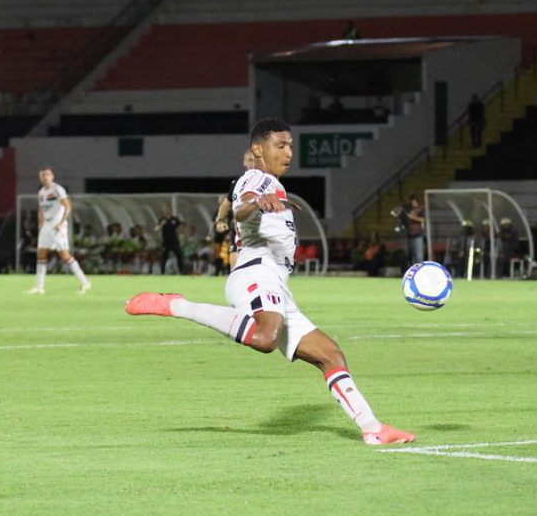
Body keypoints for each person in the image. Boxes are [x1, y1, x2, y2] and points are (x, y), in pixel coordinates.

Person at [125, 118, 415, 446]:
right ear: (258, 150)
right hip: (256, 275)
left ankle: (373, 428)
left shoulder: (275, 184)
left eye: (291, 145)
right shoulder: (257, 178)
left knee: (330, 354)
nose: (289, 152)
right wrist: (256, 204)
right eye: (281, 145)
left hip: (277, 285)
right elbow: (242, 207)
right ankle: (177, 305)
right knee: (264, 338)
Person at [24, 166, 91, 294]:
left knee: (64, 255)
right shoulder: (41, 192)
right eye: (43, 175)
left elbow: (67, 206)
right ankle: (39, 286)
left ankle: (85, 282)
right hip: (47, 225)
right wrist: (40, 226)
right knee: (41, 253)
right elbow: (41, 210)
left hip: (56, 224)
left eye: (47, 174)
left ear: (52, 176)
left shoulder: (57, 189)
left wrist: (61, 223)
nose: (45, 177)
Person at [215, 149, 257, 270]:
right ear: (244, 162)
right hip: (238, 230)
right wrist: (220, 221)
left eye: (255, 161)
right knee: (235, 269)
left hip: (257, 230)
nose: (253, 164)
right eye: (250, 160)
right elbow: (225, 204)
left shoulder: (263, 182)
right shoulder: (237, 182)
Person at [391, 193, 424, 270]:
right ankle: (410, 270)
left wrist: (411, 217)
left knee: (418, 255)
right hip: (408, 235)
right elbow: (393, 213)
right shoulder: (406, 209)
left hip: (418, 235)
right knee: (408, 255)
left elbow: (423, 220)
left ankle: (419, 271)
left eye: (412, 201)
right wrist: (400, 210)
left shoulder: (420, 209)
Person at [155, 204, 184, 274]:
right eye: (165, 210)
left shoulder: (175, 219)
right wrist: (161, 225)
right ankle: (162, 272)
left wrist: (182, 232)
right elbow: (156, 229)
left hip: (174, 241)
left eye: (168, 209)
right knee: (164, 256)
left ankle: (180, 271)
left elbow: (181, 228)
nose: (167, 211)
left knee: (179, 255)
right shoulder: (162, 219)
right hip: (166, 241)